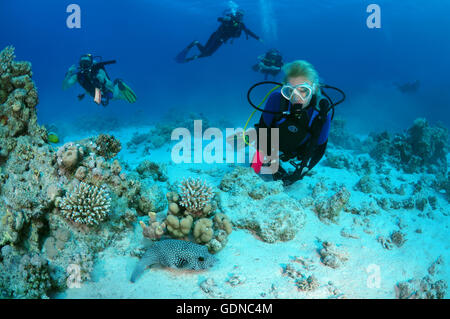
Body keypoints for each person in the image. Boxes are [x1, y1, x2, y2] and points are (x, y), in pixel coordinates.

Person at [249, 60, 341, 186]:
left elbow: (319, 148)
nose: (296, 96)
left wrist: (301, 171)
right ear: (284, 88)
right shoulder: (276, 100)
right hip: (274, 143)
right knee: (255, 165)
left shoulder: (322, 113)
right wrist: (260, 166)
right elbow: (263, 130)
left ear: (314, 89)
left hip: (299, 151)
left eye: (303, 90)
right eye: (290, 91)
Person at [175, 9, 262, 63]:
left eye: (241, 15)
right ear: (235, 14)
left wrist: (258, 38)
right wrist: (224, 19)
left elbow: (248, 32)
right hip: (216, 36)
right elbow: (219, 19)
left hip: (221, 40)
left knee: (208, 54)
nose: (239, 16)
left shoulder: (241, 24)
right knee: (205, 52)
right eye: (238, 14)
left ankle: (189, 59)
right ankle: (195, 43)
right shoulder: (229, 18)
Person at [62, 54, 137, 106]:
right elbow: (64, 87)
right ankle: (121, 95)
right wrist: (68, 74)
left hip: (104, 88)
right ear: (79, 64)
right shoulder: (77, 76)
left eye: (87, 63)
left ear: (91, 63)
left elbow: (108, 83)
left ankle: (117, 83)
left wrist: (102, 79)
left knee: (115, 97)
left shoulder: (98, 71)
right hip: (94, 92)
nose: (84, 65)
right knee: (101, 99)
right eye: (82, 63)